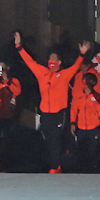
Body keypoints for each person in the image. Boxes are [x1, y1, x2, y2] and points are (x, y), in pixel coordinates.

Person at [14, 31, 91, 174]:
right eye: (50, 58)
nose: (51, 60)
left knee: (55, 138)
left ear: (59, 62)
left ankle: (55, 166)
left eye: (54, 58)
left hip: (58, 113)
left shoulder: (64, 75)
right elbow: (29, 62)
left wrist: (82, 54)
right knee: (47, 137)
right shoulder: (42, 72)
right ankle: (54, 163)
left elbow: (75, 67)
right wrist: (19, 46)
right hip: (45, 112)